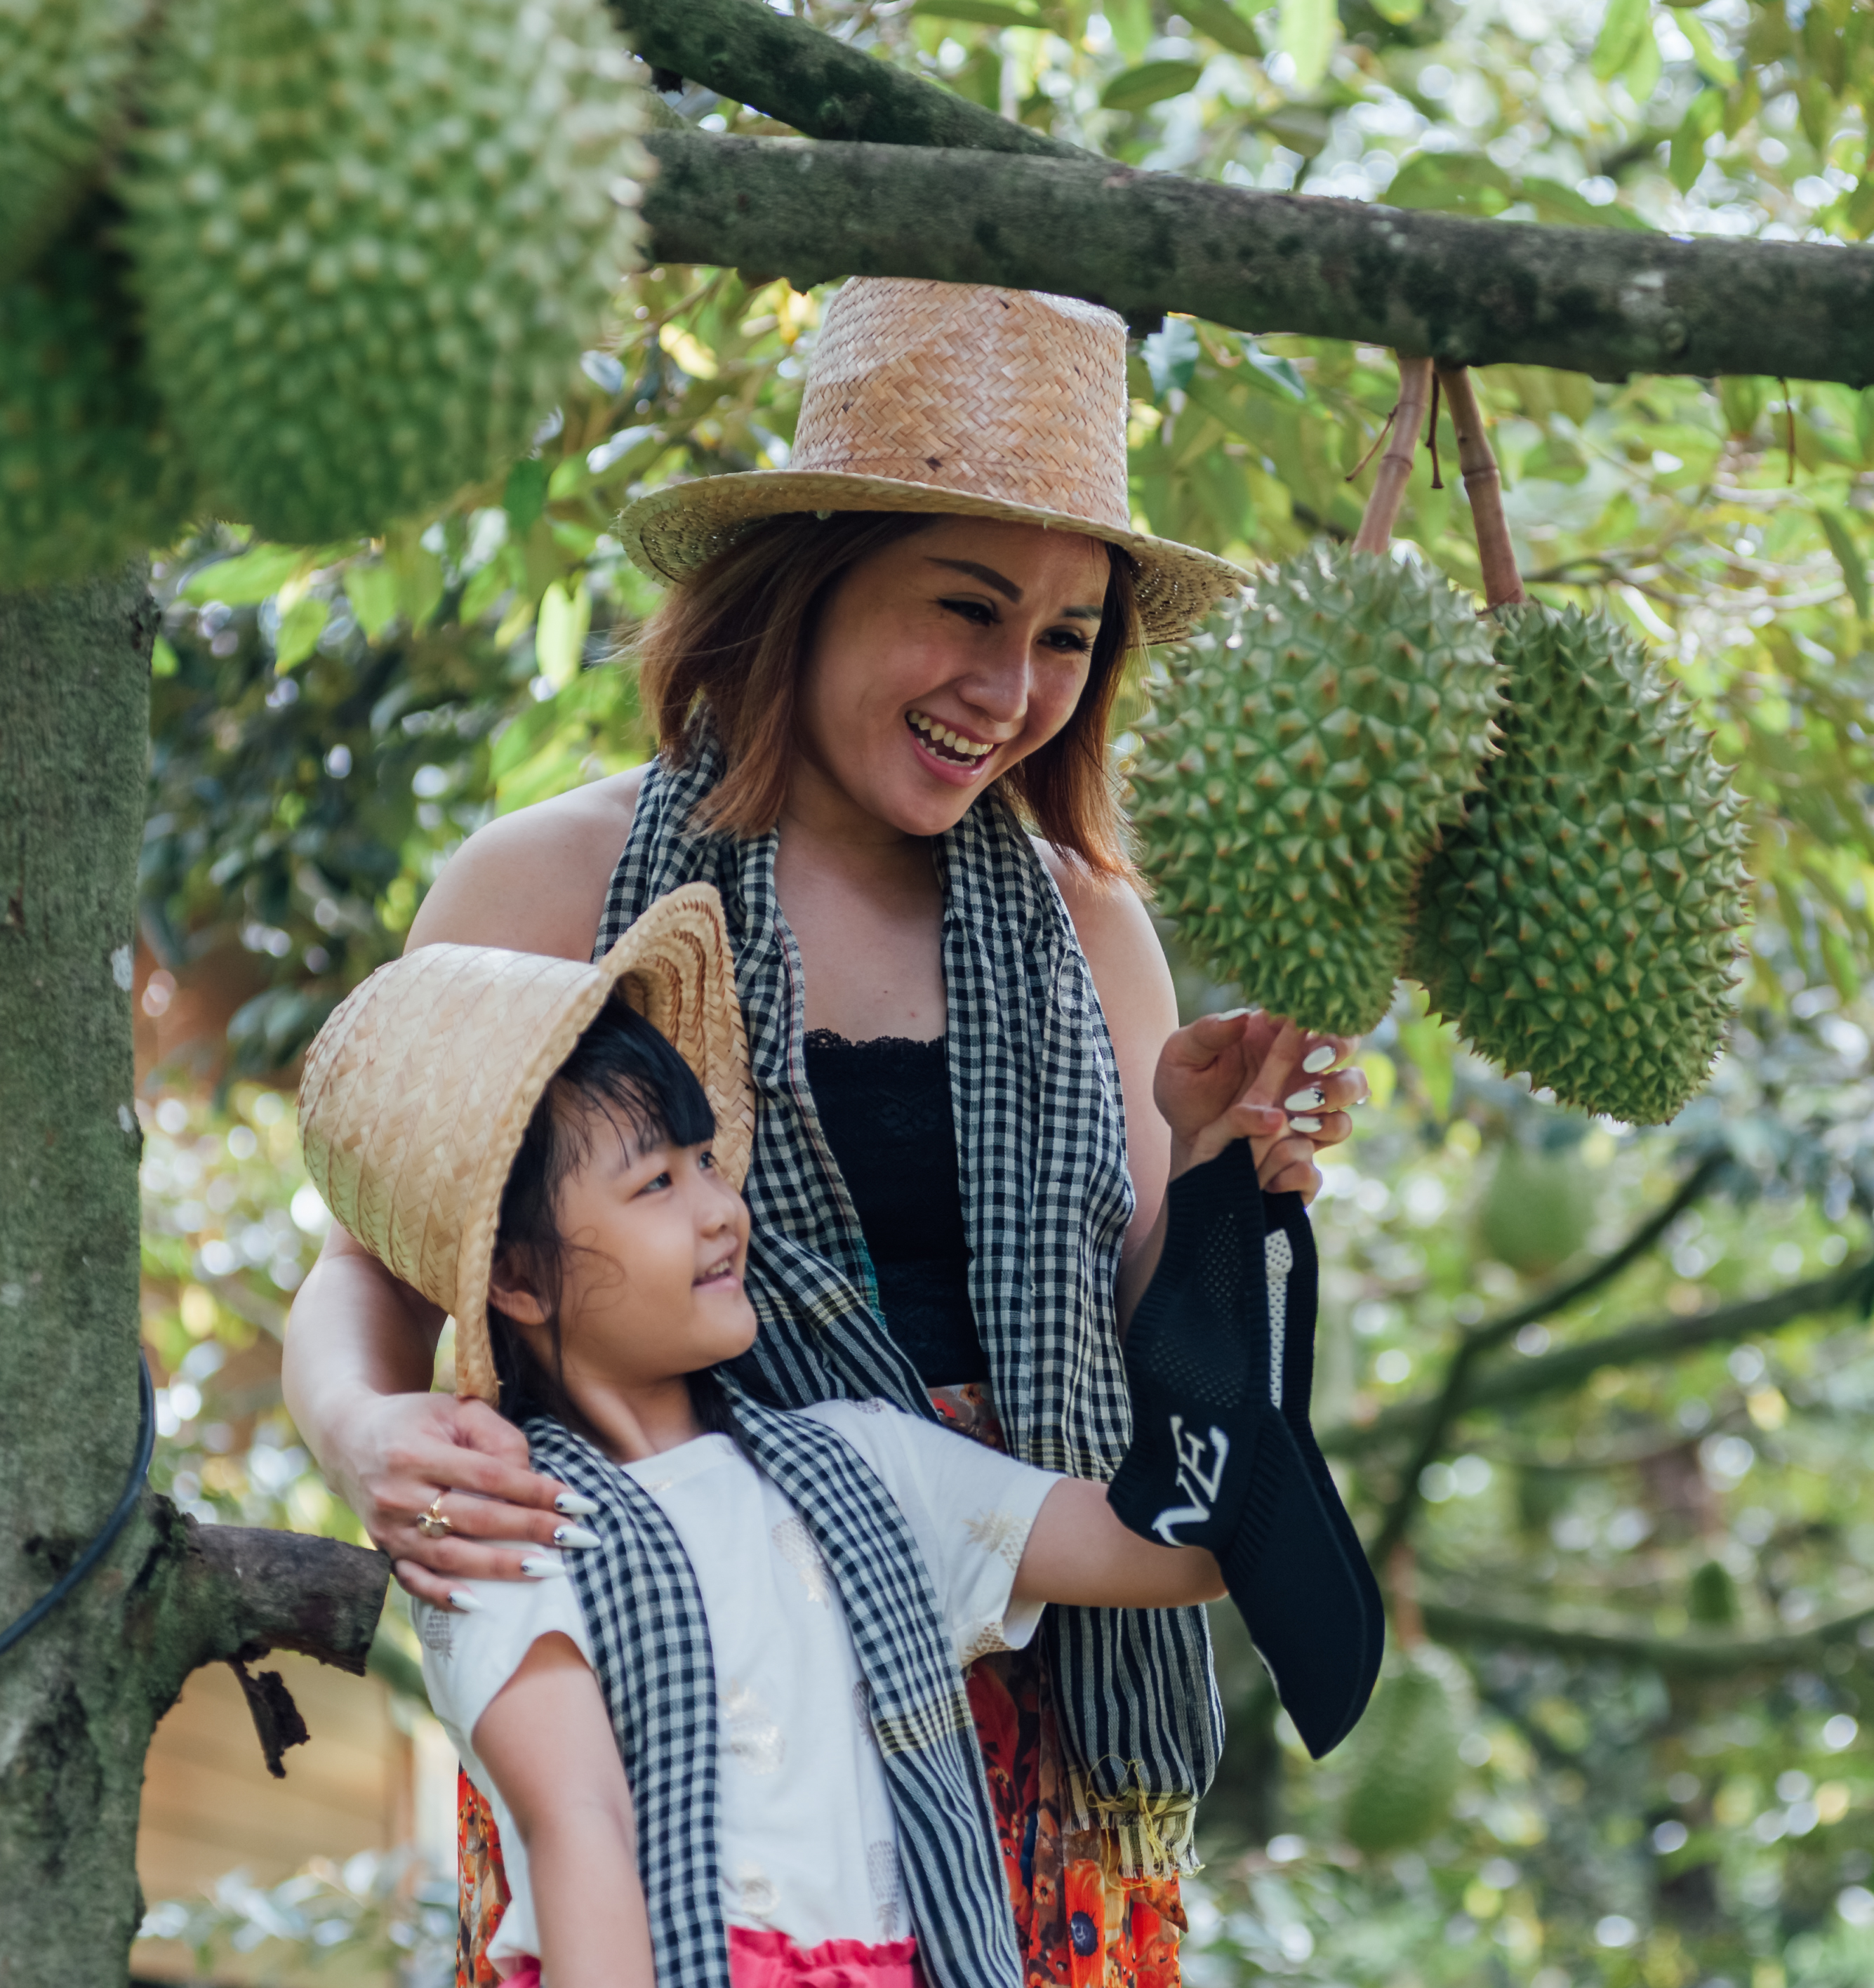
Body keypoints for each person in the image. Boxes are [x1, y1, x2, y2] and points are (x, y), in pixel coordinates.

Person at [281, 278, 1376, 1987]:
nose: (1013, 687)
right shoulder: (548, 884)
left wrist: (1218, 1159)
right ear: (804, 585)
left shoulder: (1089, 923)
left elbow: (1163, 1316)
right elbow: (381, 1254)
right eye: (966, 606)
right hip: (687, 1654)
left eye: (1071, 638)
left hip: (1027, 1648)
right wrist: (361, 1430)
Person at [294, 887, 1365, 1988]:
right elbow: (583, 1835)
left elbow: (1178, 1546)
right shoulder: (509, 1528)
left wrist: (1218, 1194)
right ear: (515, 1277)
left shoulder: (861, 1466)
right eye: (656, 1183)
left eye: (708, 1162)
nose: (720, 1210)